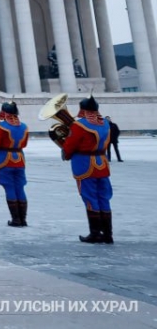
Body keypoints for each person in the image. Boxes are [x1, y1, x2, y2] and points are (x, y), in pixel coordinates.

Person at [60, 94, 113, 243]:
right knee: (104, 198)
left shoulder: (79, 125)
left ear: (82, 109)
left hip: (84, 164)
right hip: (102, 164)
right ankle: (108, 234)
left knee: (90, 198)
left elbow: (70, 145)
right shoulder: (105, 123)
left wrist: (65, 151)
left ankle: (95, 233)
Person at [0, 100, 29, 227]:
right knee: (20, 188)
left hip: (5, 159)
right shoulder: (24, 126)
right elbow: (24, 144)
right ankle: (23, 219)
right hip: (19, 159)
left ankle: (16, 219)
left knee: (9, 188)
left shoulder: (0, 127)